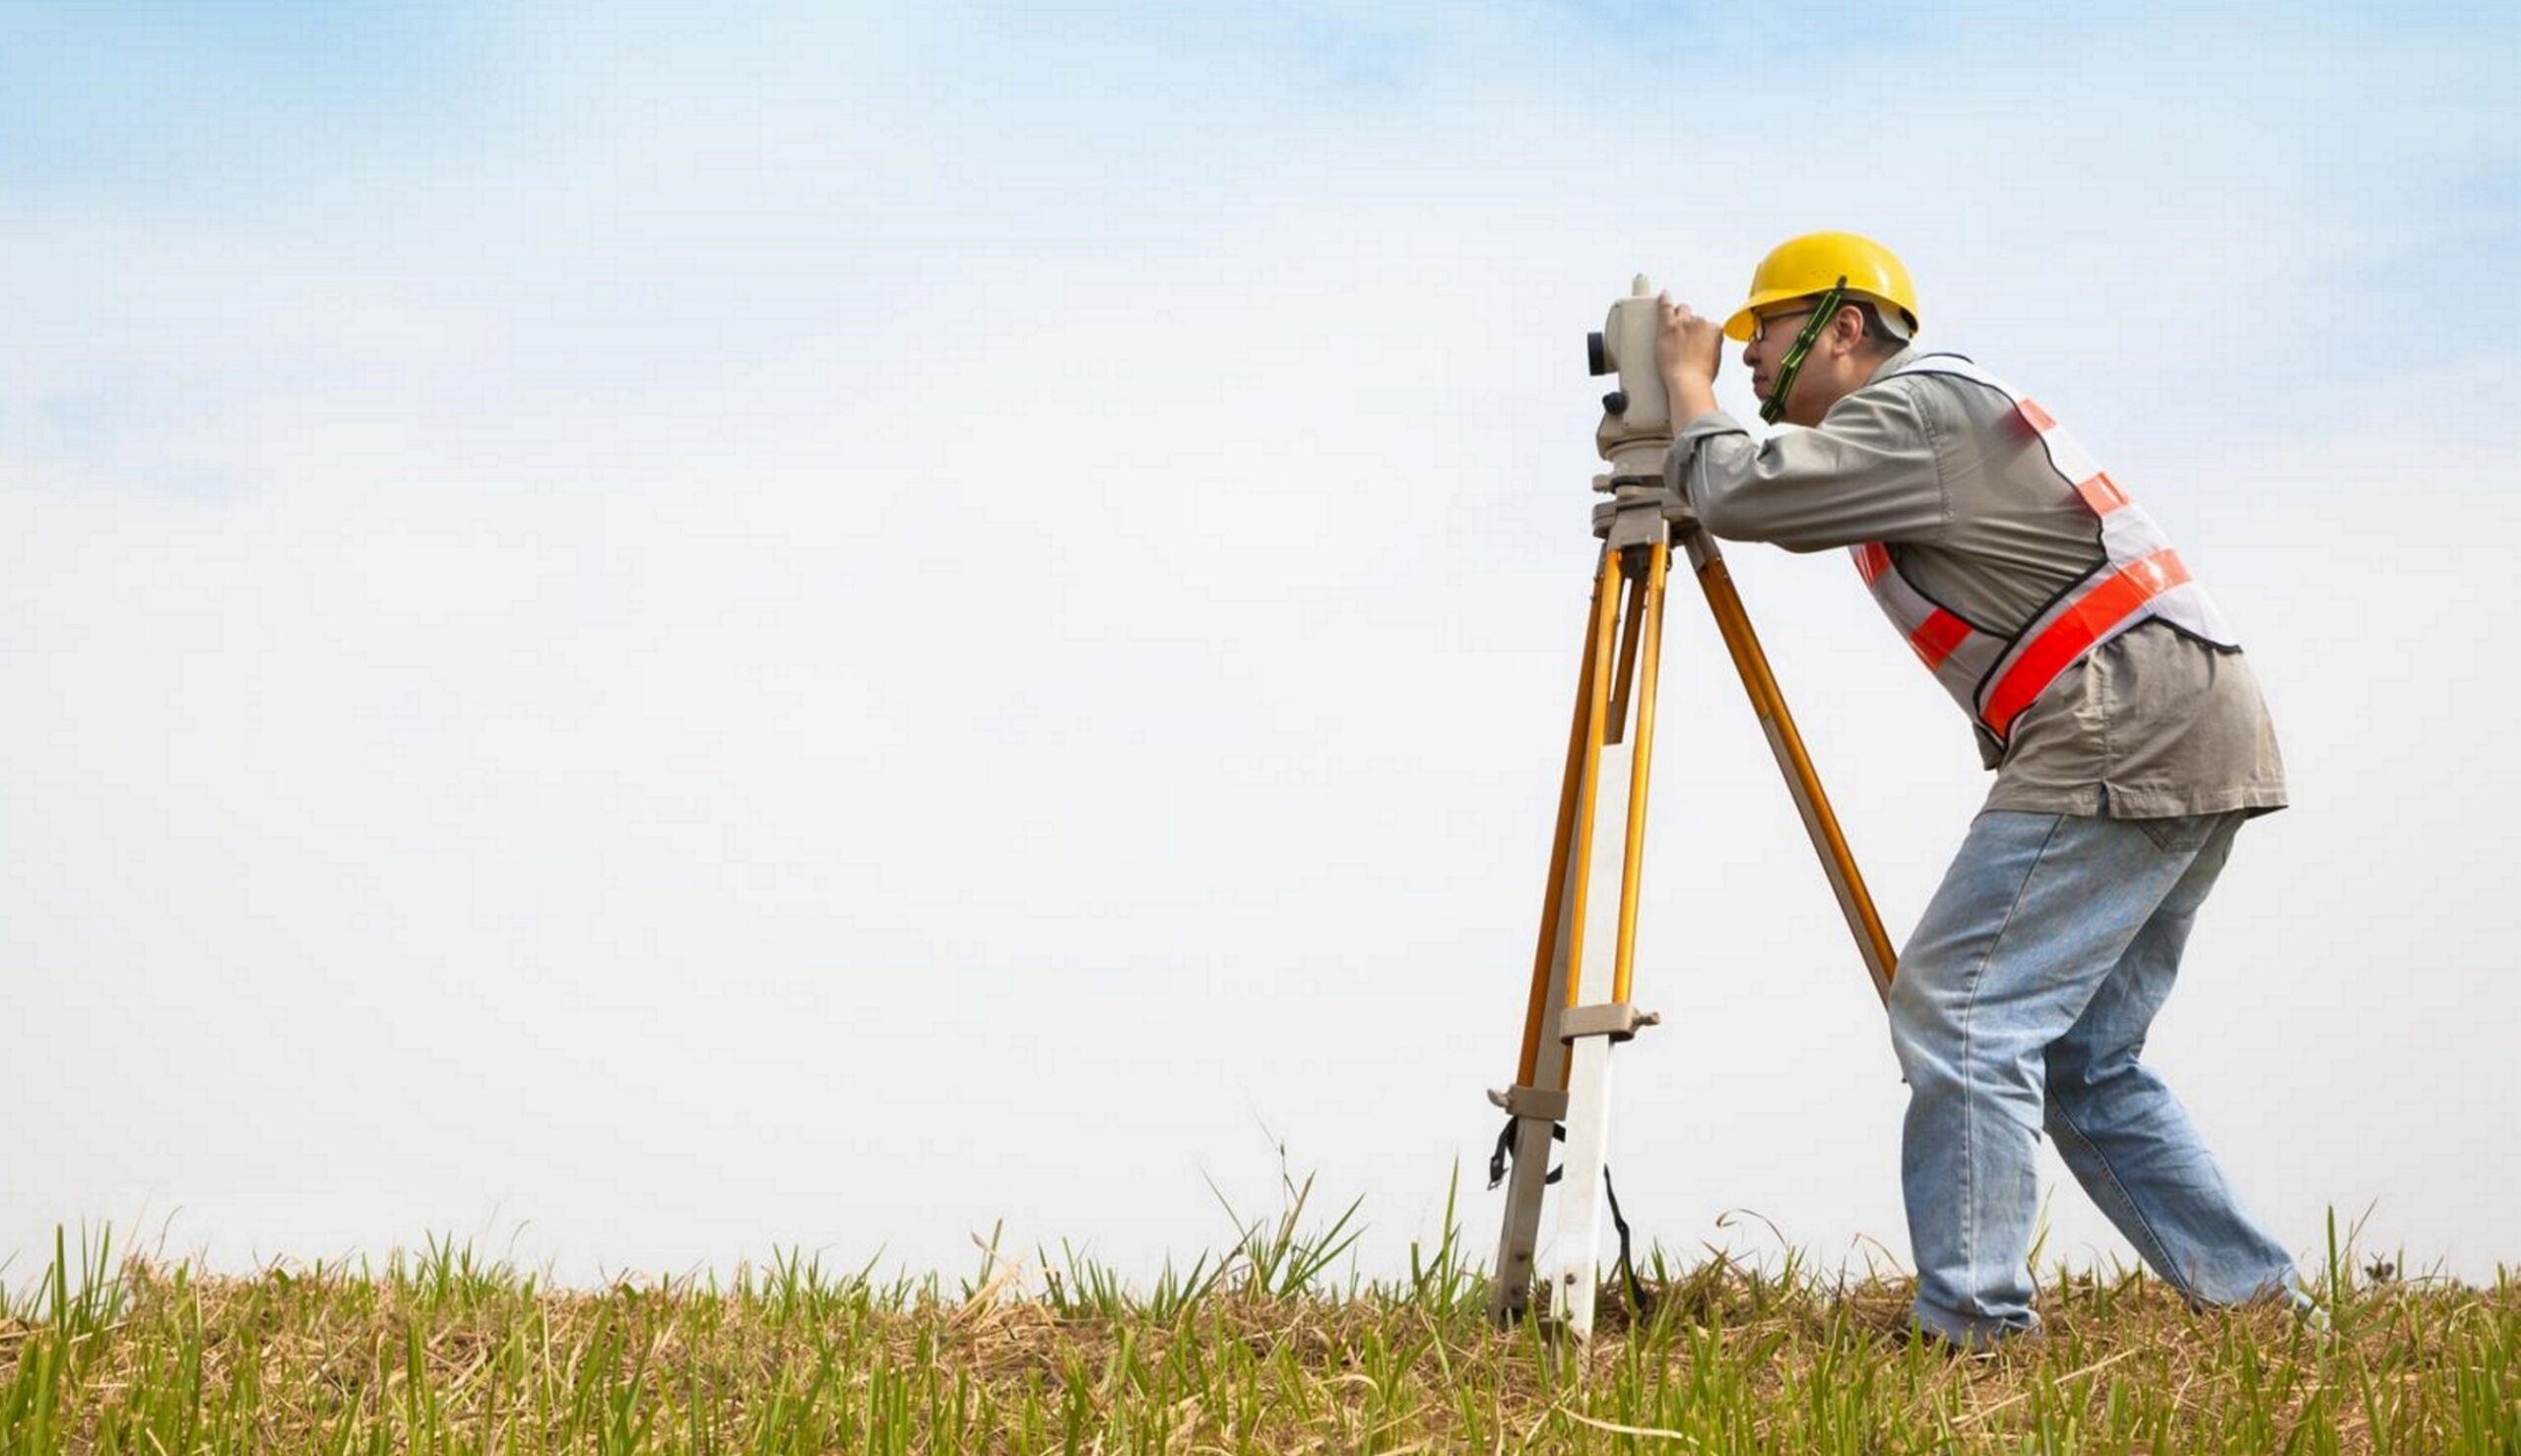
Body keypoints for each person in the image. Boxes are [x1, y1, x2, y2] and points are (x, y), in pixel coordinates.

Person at [1652, 231, 2304, 1349]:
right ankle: (2262, 1311)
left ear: (1842, 328)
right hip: (2179, 716)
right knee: (2079, 1064)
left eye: (1764, 327)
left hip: (2123, 718)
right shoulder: (1933, 415)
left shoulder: (1909, 407)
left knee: (1961, 1011)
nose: (1748, 353)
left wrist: (1681, 387)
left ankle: (1975, 1327)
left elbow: (1745, 495)